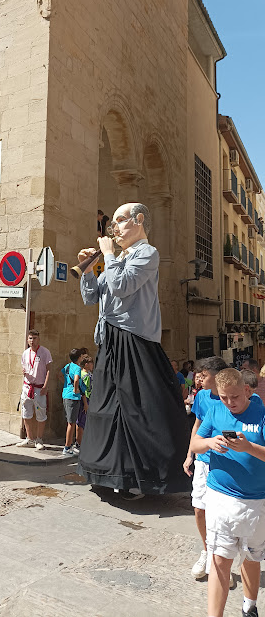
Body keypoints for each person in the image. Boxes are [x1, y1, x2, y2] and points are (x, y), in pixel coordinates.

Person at [77, 202, 190, 496]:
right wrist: (89, 269)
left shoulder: (147, 254)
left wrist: (109, 255)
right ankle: (110, 474)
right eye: (112, 224)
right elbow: (93, 297)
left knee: (140, 410)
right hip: (109, 339)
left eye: (119, 221)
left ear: (139, 220)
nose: (114, 229)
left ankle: (149, 476)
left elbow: (122, 286)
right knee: (107, 409)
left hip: (133, 339)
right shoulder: (118, 257)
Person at [191, 368, 265, 617]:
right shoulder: (215, 410)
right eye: (224, 397)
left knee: (252, 557)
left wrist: (248, 447)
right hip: (220, 497)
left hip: (256, 500)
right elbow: (195, 444)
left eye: (234, 396)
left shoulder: (262, 413)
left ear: (246, 389)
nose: (230, 403)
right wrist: (210, 443)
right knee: (220, 560)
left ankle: (249, 606)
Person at [183, 356, 229, 581]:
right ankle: (206, 551)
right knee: (200, 508)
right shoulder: (201, 396)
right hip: (202, 460)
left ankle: (220, 560)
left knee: (220, 513)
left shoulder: (229, 397)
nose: (200, 378)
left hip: (224, 462)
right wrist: (190, 454)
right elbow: (198, 425)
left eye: (204, 375)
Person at [17, 329, 52, 451]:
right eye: (30, 338)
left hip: (39, 388)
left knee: (41, 414)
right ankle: (30, 439)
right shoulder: (25, 353)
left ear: (39, 339)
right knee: (26, 413)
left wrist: (45, 386)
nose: (32, 341)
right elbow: (24, 368)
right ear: (27, 340)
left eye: (35, 338)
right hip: (27, 387)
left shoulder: (44, 352)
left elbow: (48, 370)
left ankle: (39, 439)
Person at [60, 348, 87, 456]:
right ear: (79, 357)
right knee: (71, 423)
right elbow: (76, 379)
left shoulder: (68, 366)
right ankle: (67, 447)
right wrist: (75, 389)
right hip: (73, 397)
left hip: (66, 395)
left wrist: (66, 384)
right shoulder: (77, 368)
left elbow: (59, 374)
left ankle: (69, 445)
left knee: (70, 421)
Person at [75, 354, 94, 449]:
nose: (92, 365)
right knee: (81, 422)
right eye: (91, 363)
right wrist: (86, 403)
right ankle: (79, 443)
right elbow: (84, 391)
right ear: (86, 364)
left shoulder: (84, 374)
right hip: (85, 400)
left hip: (87, 400)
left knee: (83, 422)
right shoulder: (85, 376)